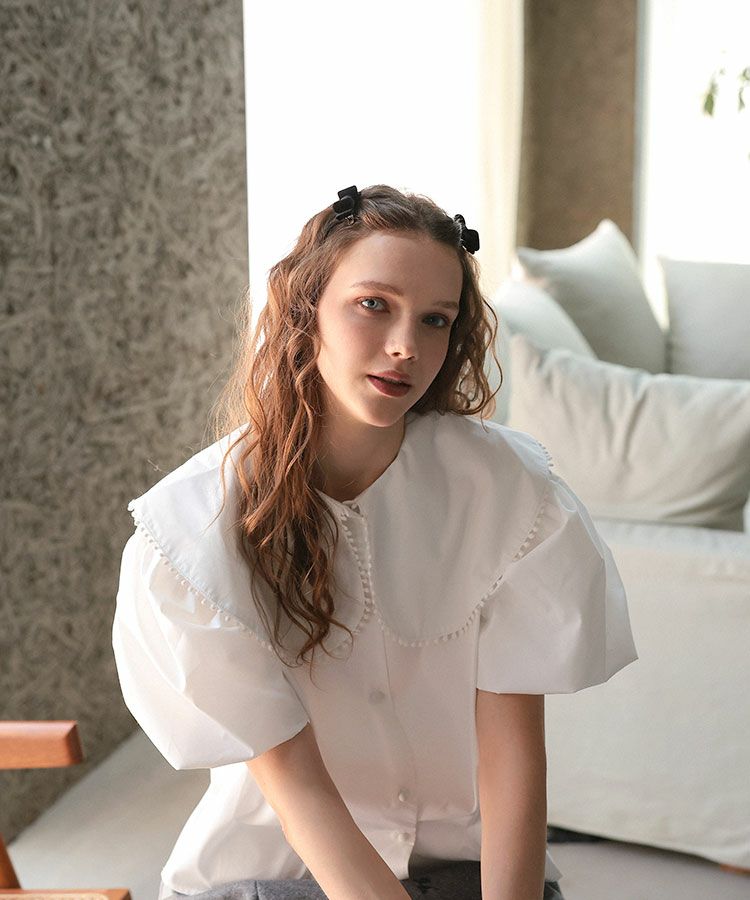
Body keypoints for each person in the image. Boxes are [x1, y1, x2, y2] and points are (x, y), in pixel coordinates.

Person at [112, 184, 639, 900]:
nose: (405, 347)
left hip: (464, 873)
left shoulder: (511, 494)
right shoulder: (194, 529)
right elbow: (299, 793)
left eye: (435, 320)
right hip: (282, 878)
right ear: (304, 308)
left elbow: (513, 761)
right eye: (373, 304)